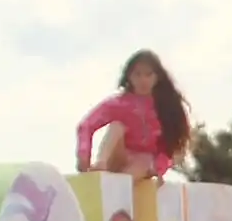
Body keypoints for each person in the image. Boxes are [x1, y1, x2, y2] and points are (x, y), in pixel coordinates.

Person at [75, 50, 192, 180]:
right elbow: (86, 125)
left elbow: (175, 144)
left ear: (157, 77)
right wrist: (83, 156)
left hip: (144, 163)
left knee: (144, 159)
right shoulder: (119, 103)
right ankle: (101, 166)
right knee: (117, 126)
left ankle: (120, 185)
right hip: (118, 157)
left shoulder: (167, 107)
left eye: (148, 75)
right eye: (137, 74)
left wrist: (159, 168)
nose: (143, 80)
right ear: (129, 77)